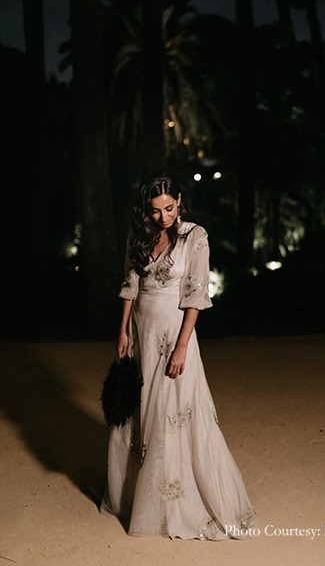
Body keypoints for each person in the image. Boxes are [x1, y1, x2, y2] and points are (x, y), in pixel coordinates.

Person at [100, 172, 255, 539]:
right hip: (141, 332)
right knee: (138, 406)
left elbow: (196, 295)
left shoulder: (195, 237)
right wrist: (123, 330)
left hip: (173, 335)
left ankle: (172, 505)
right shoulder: (140, 234)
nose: (163, 217)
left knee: (170, 410)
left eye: (169, 208)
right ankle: (133, 495)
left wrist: (183, 345)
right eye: (155, 211)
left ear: (180, 200)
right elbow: (130, 284)